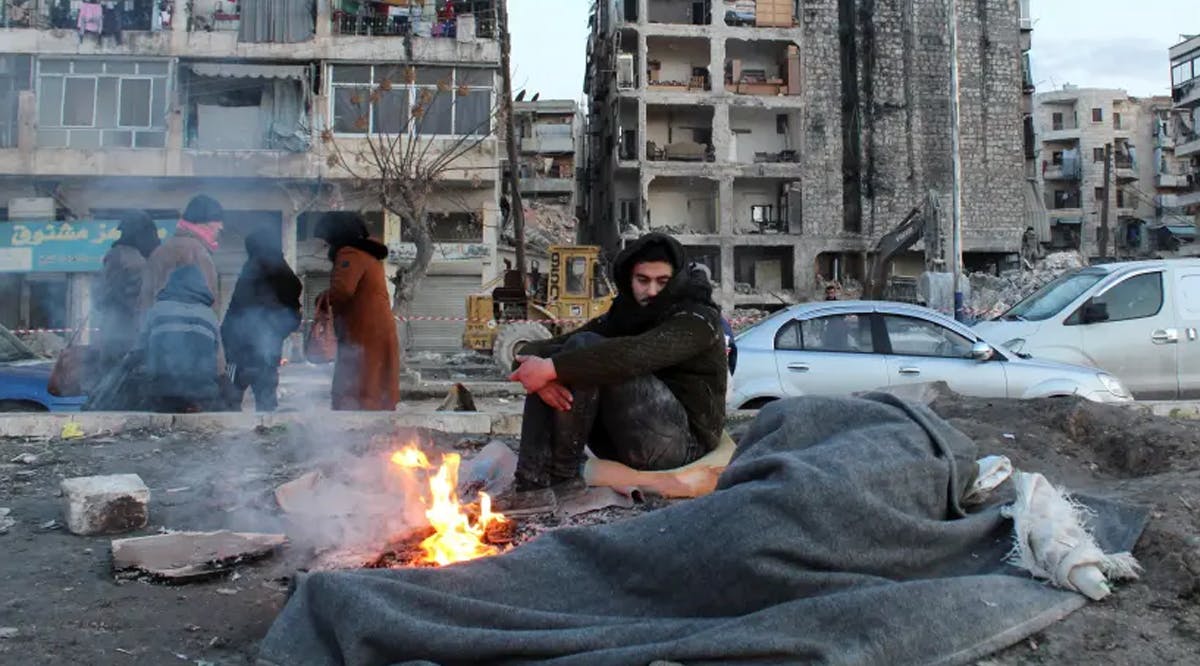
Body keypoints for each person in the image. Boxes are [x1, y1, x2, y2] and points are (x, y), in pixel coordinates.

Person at [498, 232, 728, 514]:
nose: (652, 291)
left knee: (586, 352)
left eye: (662, 281)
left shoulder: (698, 318)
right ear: (629, 280)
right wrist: (537, 372)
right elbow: (546, 346)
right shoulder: (625, 314)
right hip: (629, 438)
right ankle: (530, 486)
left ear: (677, 280)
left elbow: (638, 353)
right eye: (643, 280)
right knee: (569, 353)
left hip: (684, 443)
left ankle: (563, 480)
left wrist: (550, 369)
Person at [313, 211, 400, 411]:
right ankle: (377, 432)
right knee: (377, 387)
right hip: (376, 331)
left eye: (326, 238)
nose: (325, 244)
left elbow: (342, 290)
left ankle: (356, 433)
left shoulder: (349, 254)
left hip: (362, 332)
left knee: (357, 387)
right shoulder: (368, 255)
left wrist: (323, 298)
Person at [221, 228, 302, 412]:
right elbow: (294, 316)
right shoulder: (285, 274)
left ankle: (231, 437)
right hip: (268, 352)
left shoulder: (252, 269)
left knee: (230, 400)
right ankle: (267, 434)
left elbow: (236, 310)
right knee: (266, 403)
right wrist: (277, 333)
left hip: (239, 350)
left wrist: (225, 340)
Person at [139, 265, 222, 413]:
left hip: (163, 389)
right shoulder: (209, 315)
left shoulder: (157, 310)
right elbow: (219, 360)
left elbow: (140, 348)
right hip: (202, 391)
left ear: (172, 283)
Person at [93, 211, 160, 366]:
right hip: (128, 333)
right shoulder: (132, 257)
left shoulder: (122, 255)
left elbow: (101, 294)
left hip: (121, 333)